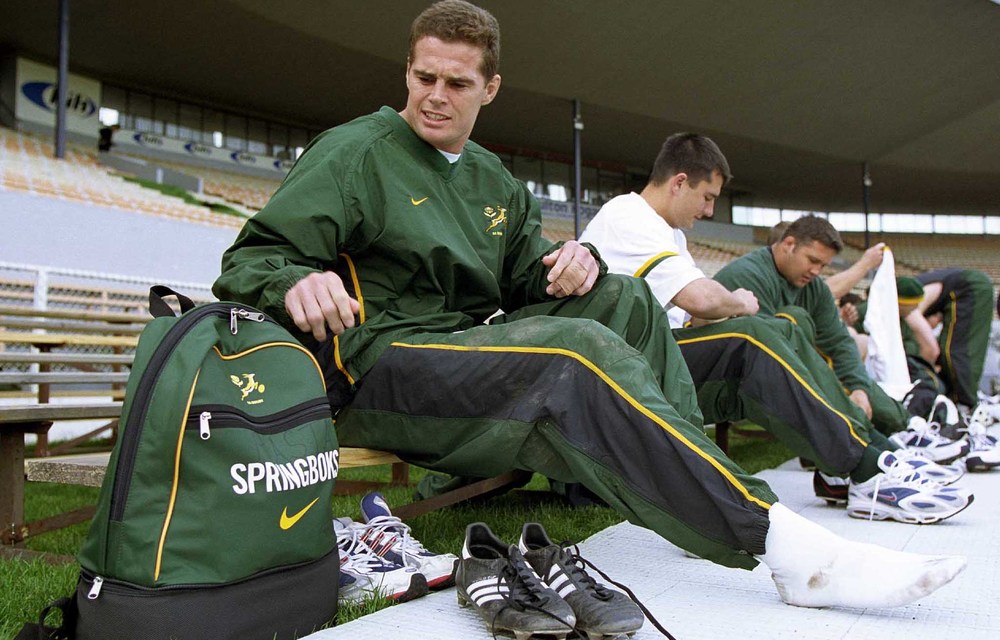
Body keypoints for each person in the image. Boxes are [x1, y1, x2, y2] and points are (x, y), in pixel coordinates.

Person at [214, 0, 965, 612]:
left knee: (627, 296)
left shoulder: (490, 179)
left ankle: (683, 491)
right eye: (423, 77)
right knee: (573, 355)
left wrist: (579, 264)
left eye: (457, 83)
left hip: (462, 354)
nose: (434, 96)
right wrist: (291, 281)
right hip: (380, 366)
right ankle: (779, 543)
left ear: (491, 88)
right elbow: (250, 259)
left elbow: (523, 280)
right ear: (406, 71)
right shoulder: (356, 151)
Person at [578, 132, 969, 521]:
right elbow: (702, 300)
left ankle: (864, 456)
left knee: (776, 336)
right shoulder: (627, 217)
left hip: (652, 361)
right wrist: (741, 303)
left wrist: (726, 310)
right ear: (680, 182)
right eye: (708, 197)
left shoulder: (670, 233)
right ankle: (868, 469)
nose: (711, 210)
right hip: (618, 369)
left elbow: (693, 315)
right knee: (753, 337)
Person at [714, 216, 920, 439]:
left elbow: (839, 342)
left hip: (787, 372)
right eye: (812, 260)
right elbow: (763, 350)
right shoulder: (749, 274)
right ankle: (876, 443)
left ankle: (907, 428)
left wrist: (859, 388)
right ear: (789, 244)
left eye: (822, 265)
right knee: (795, 322)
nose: (816, 271)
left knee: (846, 367)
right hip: (733, 378)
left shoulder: (815, 287)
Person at [909, 269, 995, 411]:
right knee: (954, 351)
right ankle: (962, 401)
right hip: (969, 287)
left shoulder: (905, 307)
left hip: (971, 288)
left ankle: (966, 404)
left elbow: (932, 350)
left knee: (956, 352)